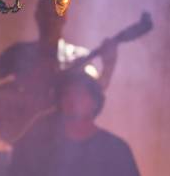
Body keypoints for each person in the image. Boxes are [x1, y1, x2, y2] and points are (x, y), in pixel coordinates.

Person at [0, 0, 117, 144]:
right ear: (37, 16)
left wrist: (109, 65)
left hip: (63, 139)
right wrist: (14, 95)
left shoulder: (78, 57)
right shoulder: (18, 53)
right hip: (25, 136)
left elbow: (97, 89)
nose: (49, 21)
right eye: (45, 14)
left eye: (54, 15)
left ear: (64, 18)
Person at [9, 71, 140, 176]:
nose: (72, 99)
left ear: (94, 102)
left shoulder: (116, 149)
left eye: (79, 93)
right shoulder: (39, 145)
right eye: (67, 94)